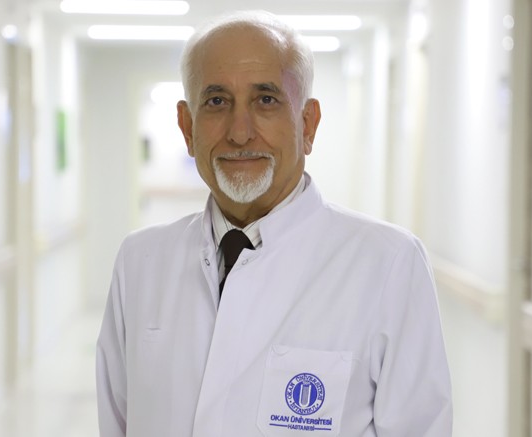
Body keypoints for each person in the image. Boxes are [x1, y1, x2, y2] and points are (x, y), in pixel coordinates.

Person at [96, 10, 452, 436]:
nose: (240, 132)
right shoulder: (140, 262)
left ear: (307, 124)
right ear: (187, 127)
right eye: (216, 101)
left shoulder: (389, 265)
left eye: (265, 100)